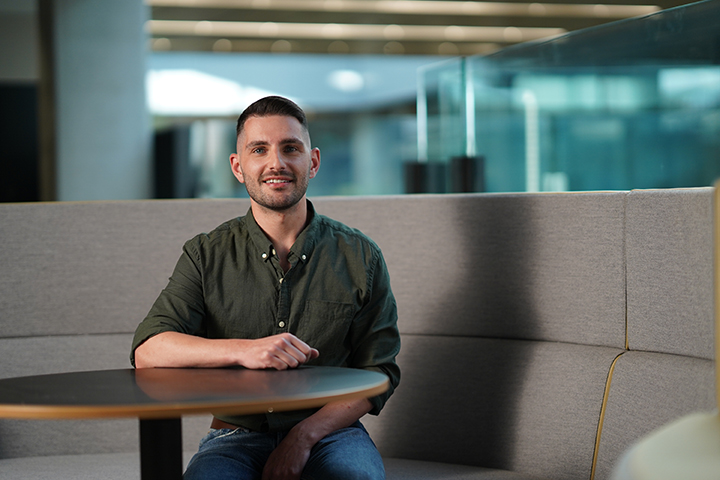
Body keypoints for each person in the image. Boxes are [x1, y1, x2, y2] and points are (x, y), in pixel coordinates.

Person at [131, 96, 401, 480]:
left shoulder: (361, 256)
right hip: (233, 436)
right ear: (238, 167)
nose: (276, 163)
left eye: (291, 148)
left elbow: (381, 371)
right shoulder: (205, 254)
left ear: (314, 161)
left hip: (331, 433)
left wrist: (303, 436)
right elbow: (149, 349)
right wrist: (247, 351)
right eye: (260, 149)